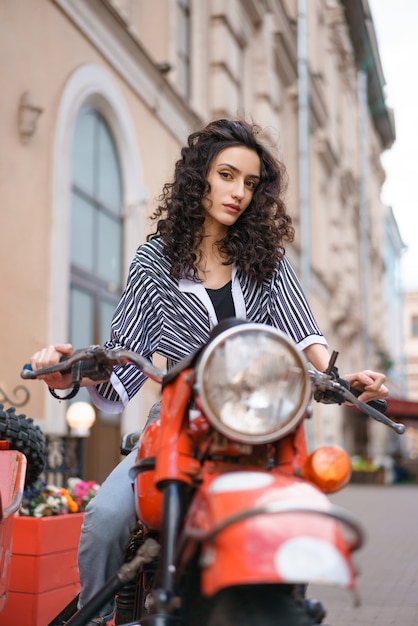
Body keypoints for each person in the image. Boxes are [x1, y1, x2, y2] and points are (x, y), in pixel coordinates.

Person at [30, 118, 389, 624]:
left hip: (260, 426)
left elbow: (307, 337)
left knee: (295, 510)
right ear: (200, 178)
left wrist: (343, 379)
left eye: (249, 183)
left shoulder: (267, 260)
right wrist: (68, 375)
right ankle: (105, 617)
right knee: (106, 518)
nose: (238, 192)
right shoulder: (155, 259)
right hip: (178, 421)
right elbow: (123, 354)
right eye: (227, 175)